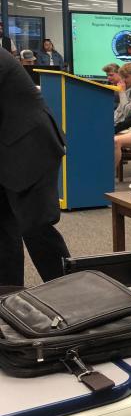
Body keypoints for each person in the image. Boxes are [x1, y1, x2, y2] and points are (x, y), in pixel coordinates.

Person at [0, 47, 69, 285]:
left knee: (37, 226)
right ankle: (8, 298)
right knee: (3, 228)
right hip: (8, 144)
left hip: (29, 145)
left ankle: (74, 299)